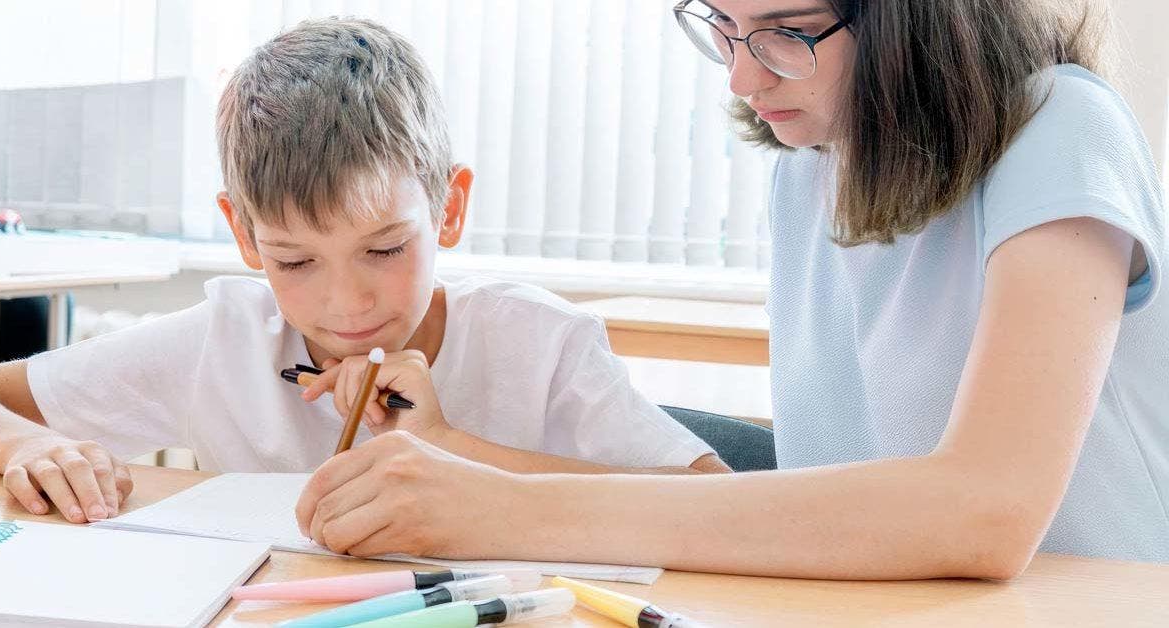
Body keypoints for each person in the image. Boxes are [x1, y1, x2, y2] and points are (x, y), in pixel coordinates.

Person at [295, 0, 1168, 578]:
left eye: (788, 30)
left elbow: (984, 511)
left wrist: (506, 512)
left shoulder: (1059, 128)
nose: (742, 78)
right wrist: (460, 467)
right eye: (725, 25)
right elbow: (813, 513)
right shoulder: (806, 174)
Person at [0, 17, 727, 528]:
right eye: (294, 260)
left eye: (386, 249)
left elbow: (720, 506)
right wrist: (24, 446)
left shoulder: (542, 345)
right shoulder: (223, 341)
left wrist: (456, 451)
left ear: (449, 209)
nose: (345, 302)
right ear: (243, 234)